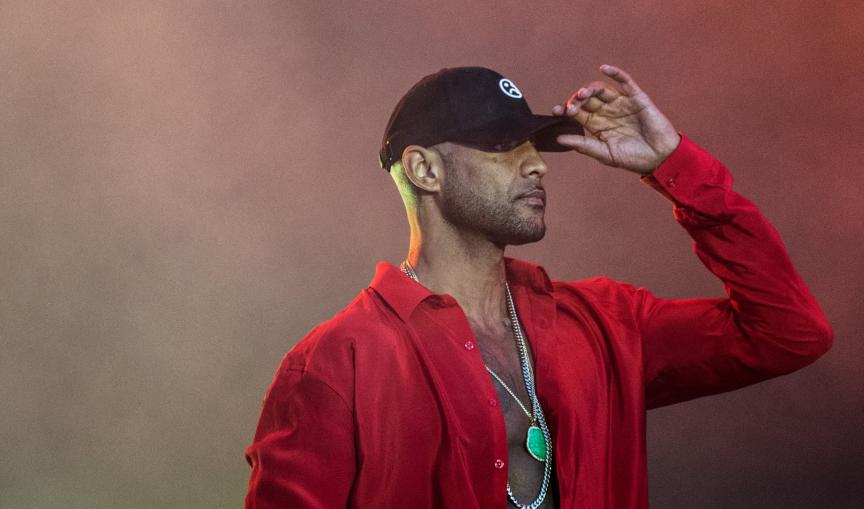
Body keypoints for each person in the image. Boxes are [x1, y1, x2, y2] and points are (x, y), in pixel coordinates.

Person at [243, 64, 833, 509]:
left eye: (535, 144)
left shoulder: (606, 322)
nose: (537, 164)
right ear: (425, 169)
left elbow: (789, 332)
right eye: (503, 146)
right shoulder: (334, 366)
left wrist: (674, 164)